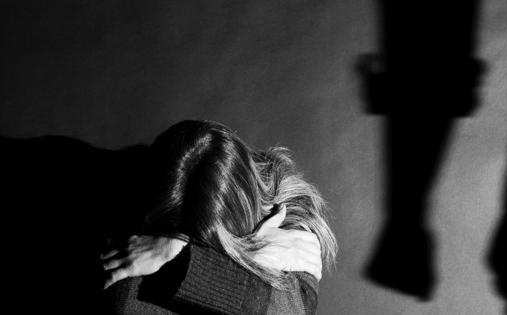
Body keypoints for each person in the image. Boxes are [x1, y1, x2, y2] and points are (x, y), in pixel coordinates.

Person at [99, 120, 337, 314]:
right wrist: (180, 259)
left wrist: (182, 256)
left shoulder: (284, 217)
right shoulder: (128, 281)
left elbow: (299, 300)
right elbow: (294, 309)